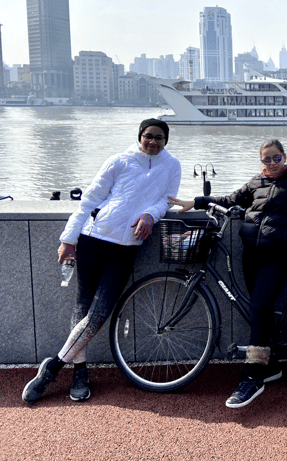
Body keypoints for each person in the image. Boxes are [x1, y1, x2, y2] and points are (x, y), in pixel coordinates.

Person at [22, 118, 182, 404]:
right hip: (94, 240)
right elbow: (89, 200)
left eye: (159, 137)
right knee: (83, 306)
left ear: (166, 140)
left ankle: (53, 368)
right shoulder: (119, 160)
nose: (153, 142)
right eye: (148, 136)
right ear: (139, 136)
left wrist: (149, 215)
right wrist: (68, 239)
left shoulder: (172, 166)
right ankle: (79, 372)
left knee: (99, 313)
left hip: (127, 246)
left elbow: (166, 201)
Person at [169, 139, 287, 409]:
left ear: (285, 157)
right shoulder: (255, 183)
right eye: (267, 159)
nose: (272, 164)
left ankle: (253, 377)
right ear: (260, 161)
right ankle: (271, 365)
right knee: (257, 310)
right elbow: (229, 199)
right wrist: (196, 201)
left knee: (261, 307)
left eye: (277, 158)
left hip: (276, 254)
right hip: (250, 254)